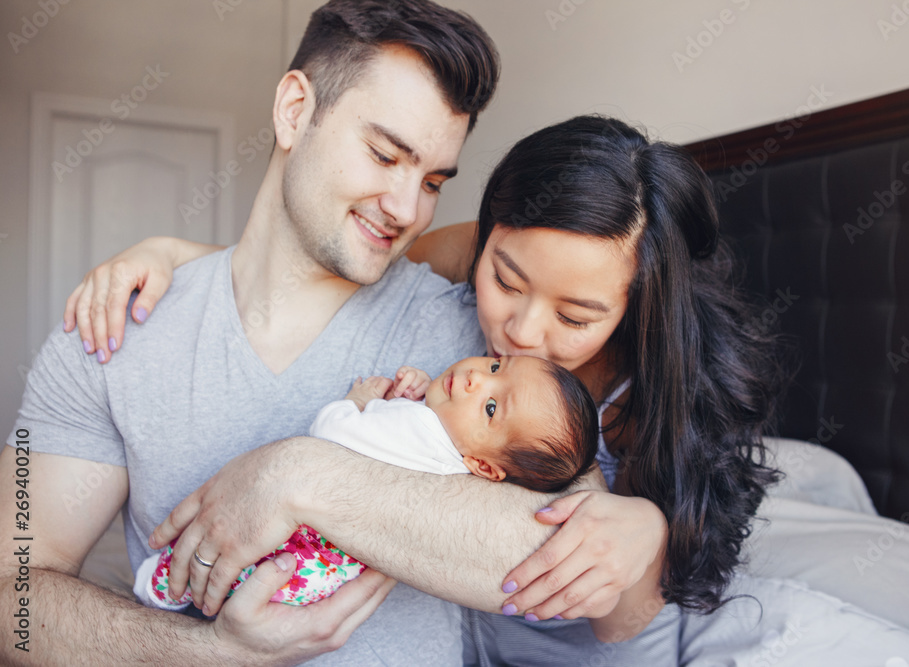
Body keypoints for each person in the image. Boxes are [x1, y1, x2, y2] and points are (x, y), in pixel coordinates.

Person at [62, 115, 787, 660]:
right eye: (505, 278)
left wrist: (650, 528)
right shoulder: (467, 257)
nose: (522, 332)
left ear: (640, 307)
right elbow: (318, 269)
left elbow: (621, 617)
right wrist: (176, 256)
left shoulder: (659, 399)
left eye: (576, 315)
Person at [0, 1, 501, 664]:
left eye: (433, 180)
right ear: (294, 110)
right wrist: (211, 650)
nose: (408, 209)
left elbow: (561, 551)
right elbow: (13, 597)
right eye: (385, 154)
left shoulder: (472, 342)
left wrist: (298, 474)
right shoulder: (111, 327)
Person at [137, 357, 598, 611]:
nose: (478, 378)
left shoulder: (423, 433)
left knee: (222, 557)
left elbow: (334, 439)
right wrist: (425, 387)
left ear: (486, 467)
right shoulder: (457, 460)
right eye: (497, 366)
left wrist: (353, 402)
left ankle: (160, 587)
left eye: (492, 408)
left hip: (304, 545)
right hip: (328, 574)